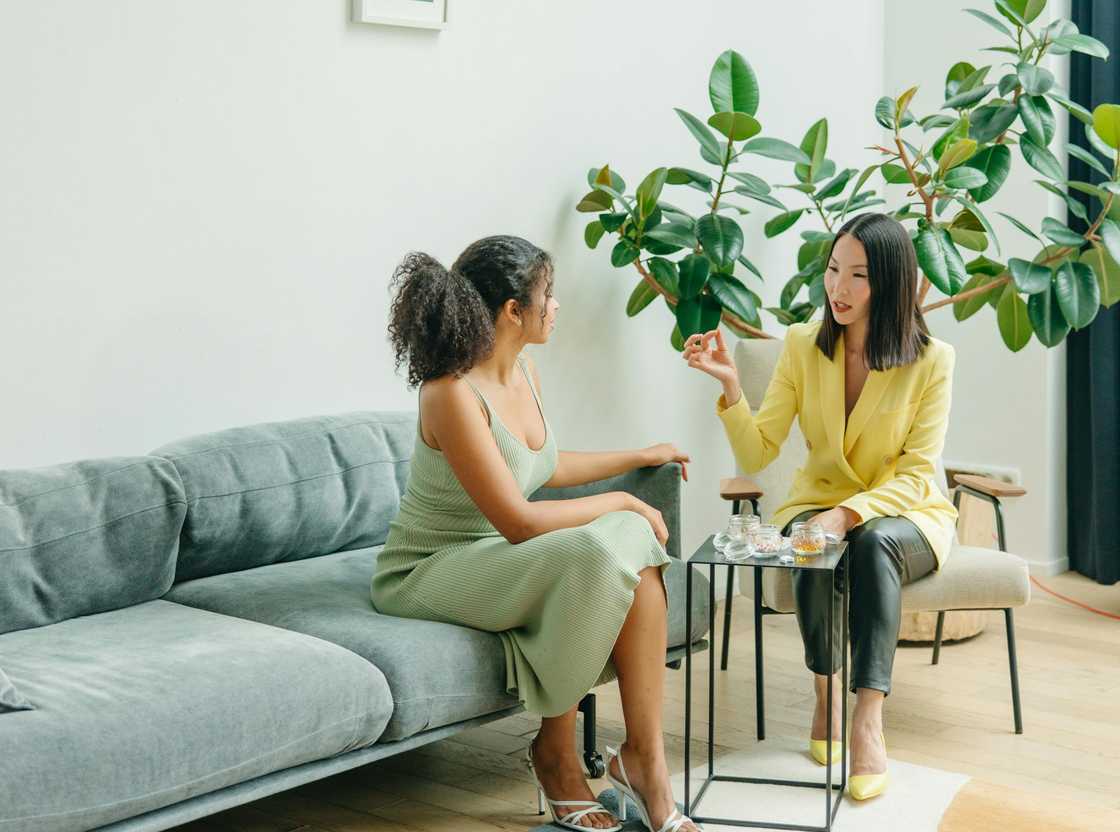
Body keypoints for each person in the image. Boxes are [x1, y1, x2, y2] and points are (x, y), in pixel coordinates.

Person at [372, 235, 702, 832]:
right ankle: (555, 754)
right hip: (429, 569)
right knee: (601, 546)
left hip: (496, 554)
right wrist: (624, 499)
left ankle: (645, 759)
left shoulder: (525, 371)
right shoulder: (450, 393)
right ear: (512, 311)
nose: (556, 306)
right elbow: (519, 521)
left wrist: (638, 455)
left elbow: (542, 467)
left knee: (624, 550)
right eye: (548, 295)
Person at [682, 212, 957, 801]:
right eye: (834, 269)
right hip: (819, 502)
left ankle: (867, 719)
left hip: (907, 514)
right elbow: (758, 451)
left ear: (890, 283)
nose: (838, 287)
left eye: (858, 275)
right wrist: (731, 387)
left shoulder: (933, 360)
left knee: (870, 539)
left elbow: (916, 473)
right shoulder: (803, 345)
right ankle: (826, 694)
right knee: (810, 535)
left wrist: (849, 514)